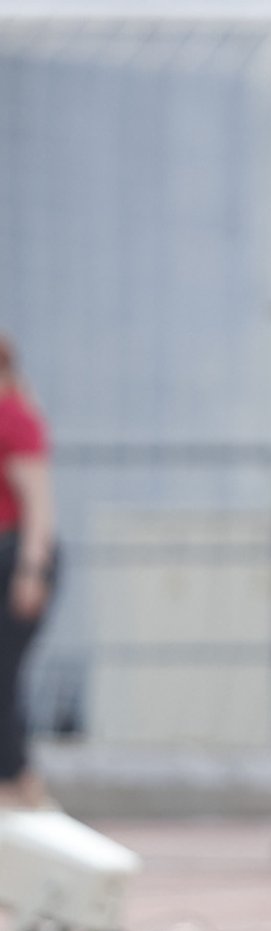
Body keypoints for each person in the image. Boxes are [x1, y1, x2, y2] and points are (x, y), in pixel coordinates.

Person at [0, 333, 58, 811]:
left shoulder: (14, 417)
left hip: (16, 559)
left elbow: (37, 504)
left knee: (3, 677)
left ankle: (22, 787)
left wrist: (31, 571)